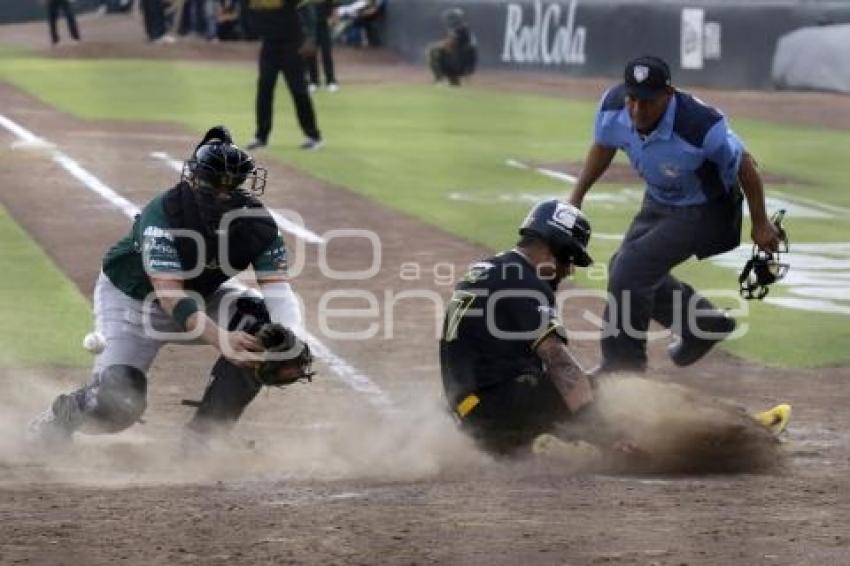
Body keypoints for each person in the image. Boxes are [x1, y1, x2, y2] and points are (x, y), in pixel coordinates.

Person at [29, 126, 313, 447]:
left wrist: (292, 338)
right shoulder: (163, 214)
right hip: (133, 304)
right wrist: (223, 340)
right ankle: (63, 415)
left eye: (232, 184)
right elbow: (170, 295)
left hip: (200, 300)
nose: (223, 193)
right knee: (118, 406)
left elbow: (278, 290)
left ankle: (203, 438)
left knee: (260, 327)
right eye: (212, 183)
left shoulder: (256, 226)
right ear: (193, 178)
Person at [569, 56, 780, 374]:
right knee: (624, 269)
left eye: (648, 102)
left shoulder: (699, 125)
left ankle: (623, 371)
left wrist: (761, 224)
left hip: (708, 209)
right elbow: (603, 145)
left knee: (631, 269)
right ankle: (702, 325)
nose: (638, 110)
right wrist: (576, 197)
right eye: (633, 99)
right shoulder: (613, 106)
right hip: (659, 198)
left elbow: (745, 166)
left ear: (668, 93)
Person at [439, 199, 598, 456]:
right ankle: (544, 443)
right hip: (496, 414)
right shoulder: (526, 282)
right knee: (593, 389)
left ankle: (529, 443)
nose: (568, 271)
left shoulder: (489, 268)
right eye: (568, 259)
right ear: (550, 247)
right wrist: (596, 427)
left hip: (465, 412)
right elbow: (557, 359)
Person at [244, 0, 323, 151]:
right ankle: (261, 137)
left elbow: (307, 9)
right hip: (269, 44)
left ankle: (313, 135)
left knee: (298, 90)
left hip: (292, 43)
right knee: (264, 88)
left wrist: (311, 38)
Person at [427, 8, 477, 86]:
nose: (449, 21)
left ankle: (440, 80)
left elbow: (450, 44)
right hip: (463, 65)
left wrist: (436, 45)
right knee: (443, 52)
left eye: (451, 18)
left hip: (461, 65)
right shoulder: (464, 29)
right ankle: (454, 82)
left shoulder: (461, 30)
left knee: (433, 51)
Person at [306, 0, 338, 92]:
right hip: (310, 25)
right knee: (310, 53)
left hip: (324, 25)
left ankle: (331, 81)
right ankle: (313, 82)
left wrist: (334, 19)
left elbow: (334, 6)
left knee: (326, 53)